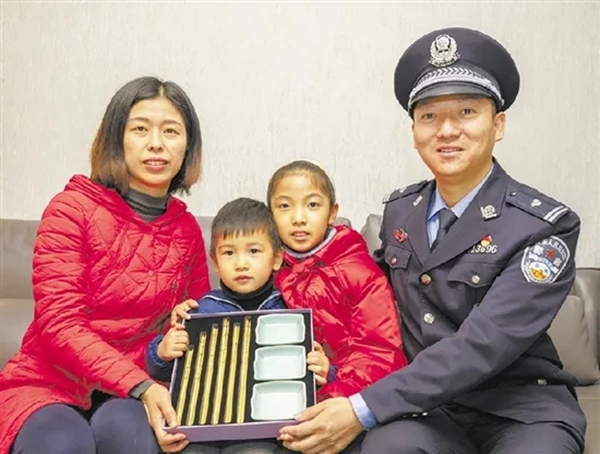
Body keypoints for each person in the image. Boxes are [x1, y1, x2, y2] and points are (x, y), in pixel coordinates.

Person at [277, 27, 587, 454]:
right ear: (414, 131)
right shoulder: (400, 212)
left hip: (520, 408)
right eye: (429, 117)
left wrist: (363, 407)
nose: (446, 130)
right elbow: (363, 298)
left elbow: (484, 344)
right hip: (426, 411)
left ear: (497, 124)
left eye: (466, 112)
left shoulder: (543, 226)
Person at [0, 76, 211, 454]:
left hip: (131, 393)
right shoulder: (70, 210)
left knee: (132, 440)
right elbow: (60, 325)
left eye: (171, 131)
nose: (156, 143)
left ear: (188, 146)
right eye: (140, 129)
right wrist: (142, 386)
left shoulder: (186, 230)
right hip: (51, 383)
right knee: (62, 443)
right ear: (116, 138)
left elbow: (197, 324)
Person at [146, 197, 331, 454]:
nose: (241, 263)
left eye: (253, 251)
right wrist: (163, 351)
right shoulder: (200, 310)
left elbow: (312, 377)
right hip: (204, 427)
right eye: (229, 253)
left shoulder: (290, 310)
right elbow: (165, 371)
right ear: (215, 263)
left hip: (264, 433)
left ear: (277, 258)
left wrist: (324, 371)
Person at [268, 160, 408, 401]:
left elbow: (381, 355)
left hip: (343, 397)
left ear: (332, 213)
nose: (298, 218)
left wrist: (332, 377)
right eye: (284, 206)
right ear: (270, 214)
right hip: (277, 397)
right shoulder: (264, 267)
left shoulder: (359, 273)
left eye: (312, 205)